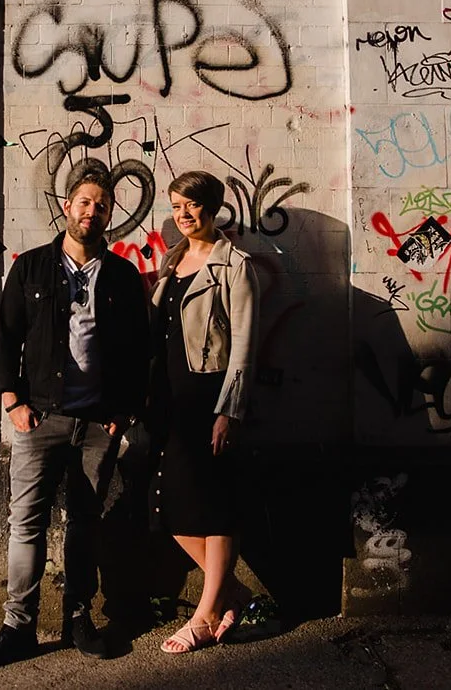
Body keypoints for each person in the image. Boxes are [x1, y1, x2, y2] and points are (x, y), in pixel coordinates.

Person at [0, 164, 151, 669]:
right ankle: (18, 628)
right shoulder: (30, 267)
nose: (93, 211)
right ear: (67, 206)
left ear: (110, 214)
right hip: (40, 418)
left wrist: (124, 412)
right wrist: (13, 402)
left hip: (98, 423)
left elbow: (138, 352)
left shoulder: (122, 276)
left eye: (102, 205)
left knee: (85, 522)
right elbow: (4, 337)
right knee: (26, 522)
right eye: (85, 201)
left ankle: (77, 619)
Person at [147, 170, 259, 654]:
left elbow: (245, 345)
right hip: (168, 399)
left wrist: (229, 411)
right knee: (170, 505)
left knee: (213, 503)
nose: (183, 214)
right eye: (176, 206)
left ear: (211, 207)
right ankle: (232, 593)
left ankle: (208, 614)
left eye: (191, 205)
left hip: (209, 397)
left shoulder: (234, 265)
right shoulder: (171, 260)